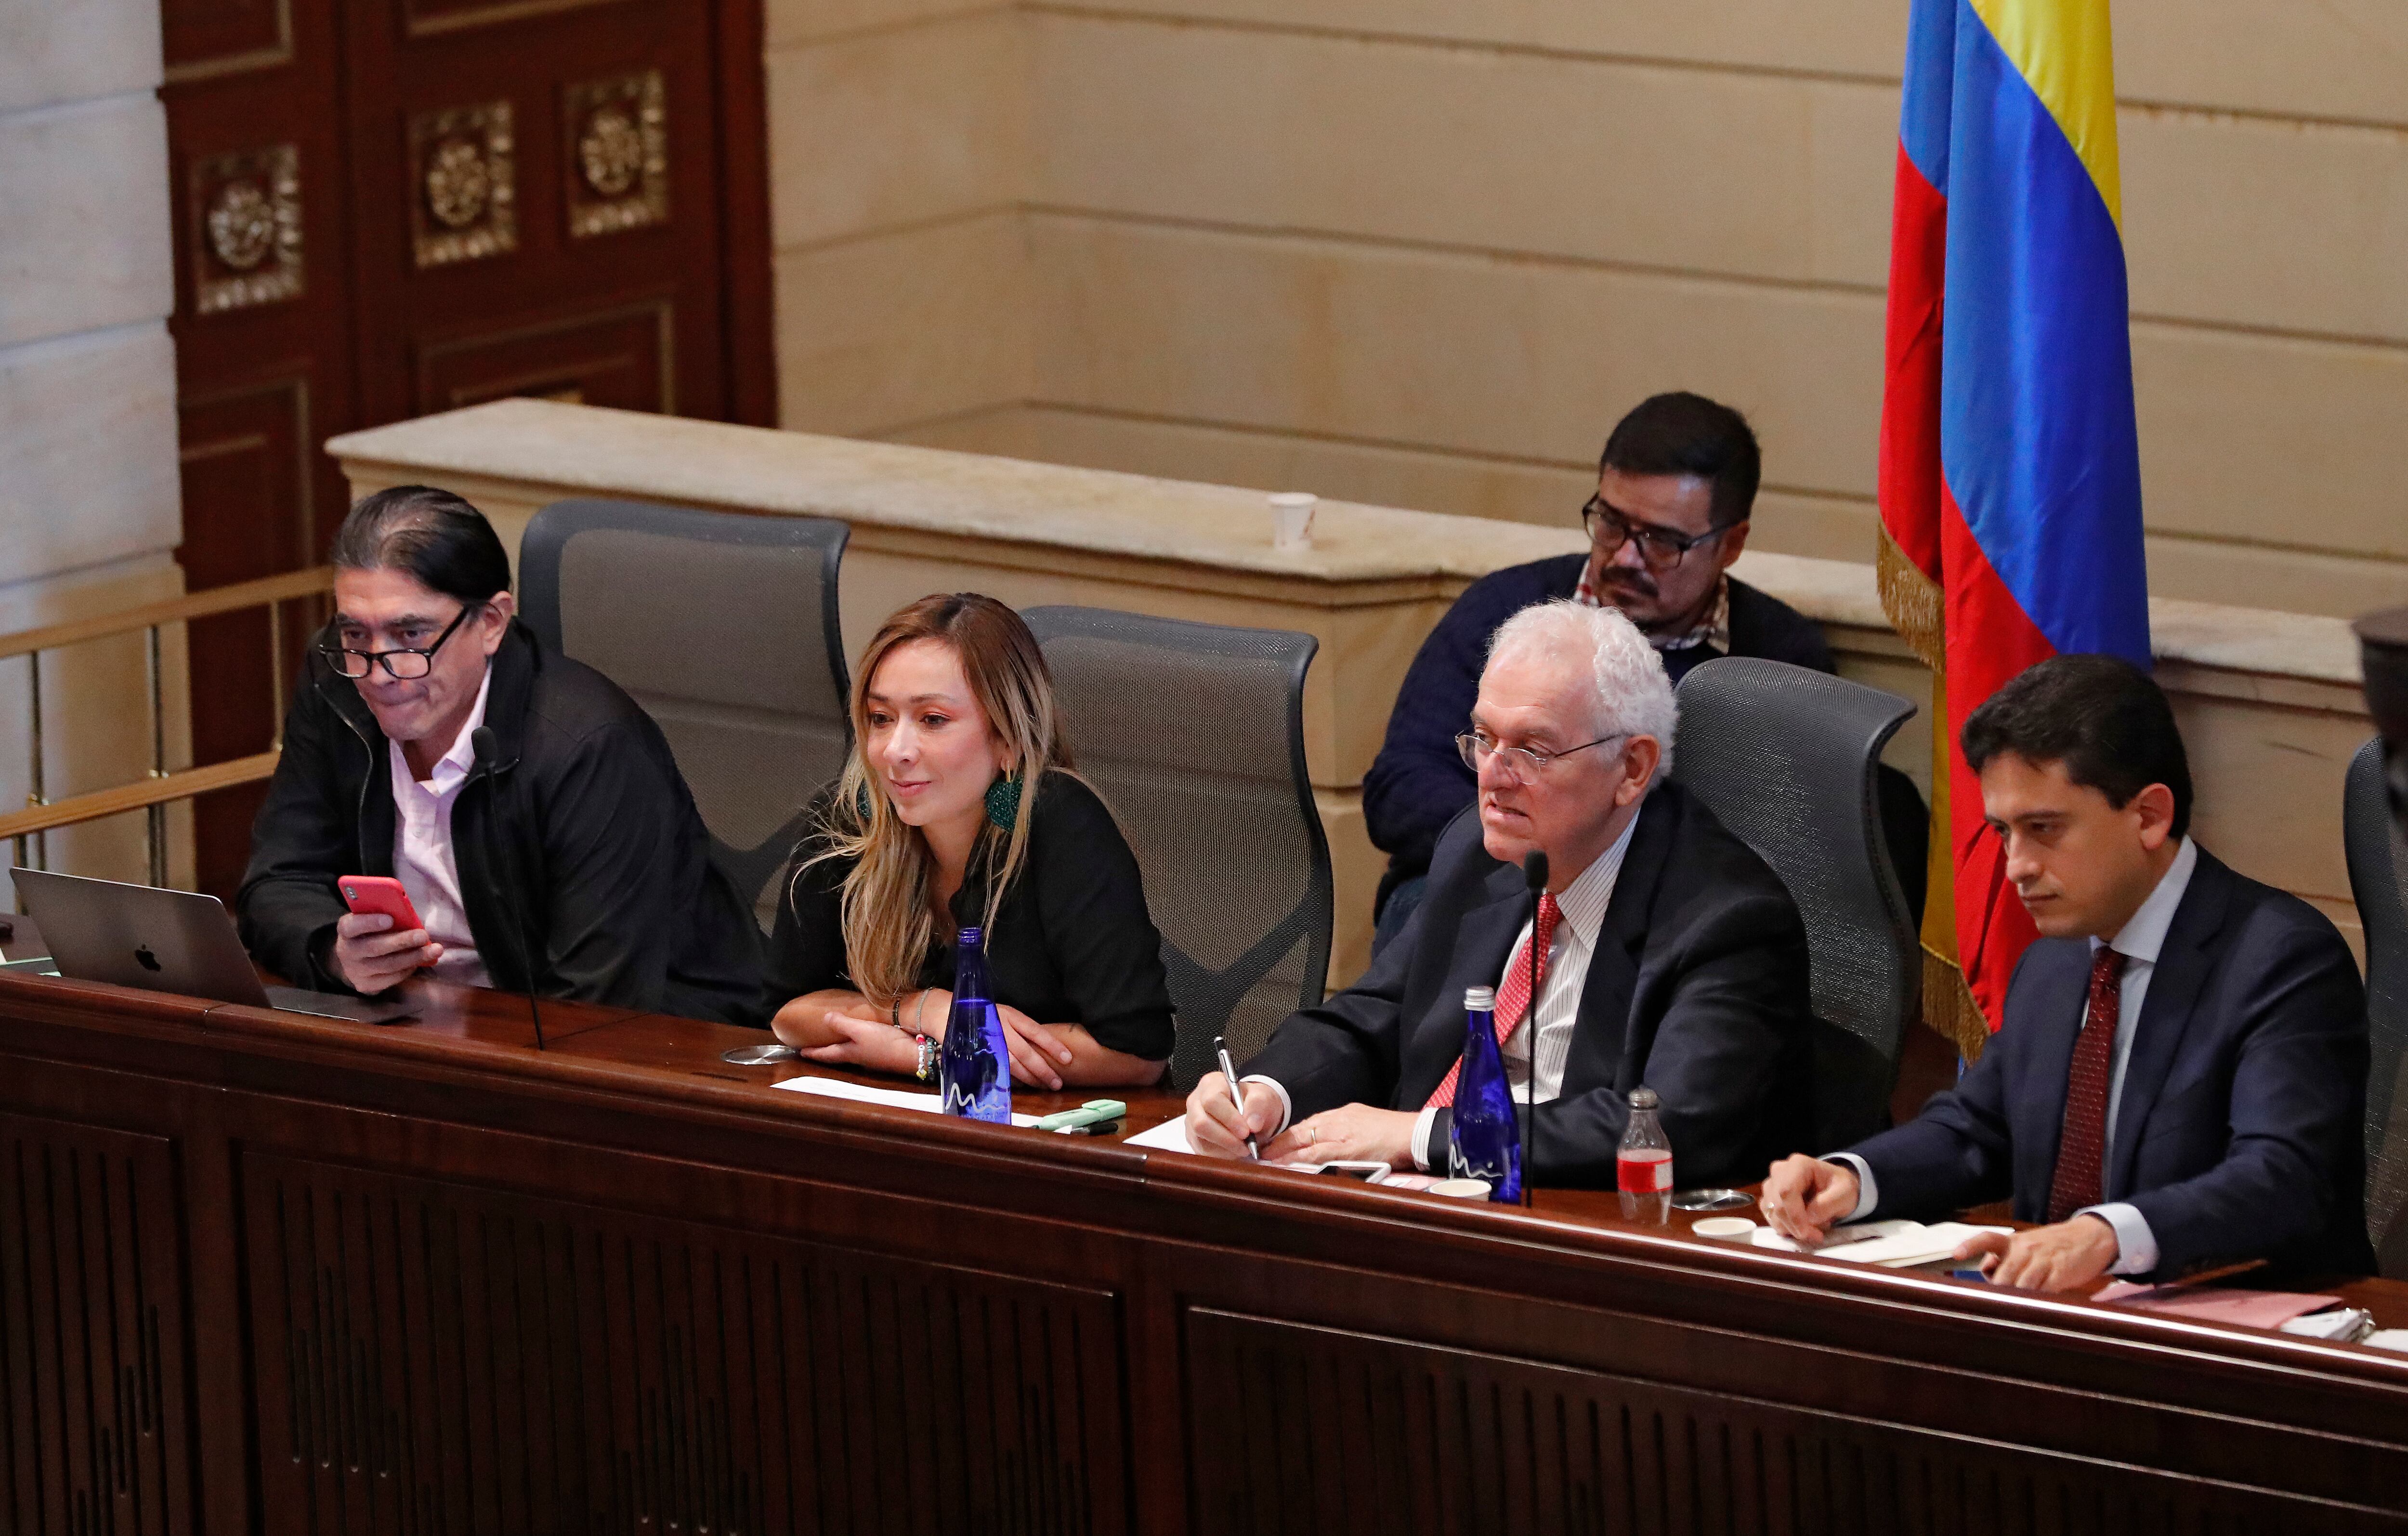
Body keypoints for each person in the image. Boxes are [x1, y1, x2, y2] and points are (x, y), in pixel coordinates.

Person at [1761, 655, 2374, 1291]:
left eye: (2044, 829)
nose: (2016, 867)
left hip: (2248, 1342)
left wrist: (2109, 1234)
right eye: (2003, 832)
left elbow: (2283, 1177)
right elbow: (1979, 1132)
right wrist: (1856, 1177)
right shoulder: (2054, 962)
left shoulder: (2281, 958)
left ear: (2149, 816)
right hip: (2069, 1328)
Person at [1184, 600, 1812, 1185]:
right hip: (1422, 1207)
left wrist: (1421, 1136)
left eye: (1534, 750)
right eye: (1484, 739)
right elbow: (1372, 1016)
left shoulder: (1728, 920)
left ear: (1633, 768)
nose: (1493, 776)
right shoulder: (1479, 854)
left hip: (1586, 1237)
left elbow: (1672, 1126)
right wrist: (1267, 1091)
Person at [1363, 392, 1919, 948]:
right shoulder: (1504, 609)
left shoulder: (1775, 656)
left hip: (1668, 909)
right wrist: (1542, 842)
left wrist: (1606, 864)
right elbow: (1398, 791)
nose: (1625, 557)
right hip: (1493, 879)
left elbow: (1784, 845)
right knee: (1428, 915)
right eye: (1610, 523)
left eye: (1661, 541)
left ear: (1730, 544)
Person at [238, 485, 761, 1024]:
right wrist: (333, 951)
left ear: (490, 623)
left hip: (643, 1038)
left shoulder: (589, 744)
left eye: (410, 634)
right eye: (354, 633)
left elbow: (596, 1000)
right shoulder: (337, 684)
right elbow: (277, 882)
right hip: (422, 1016)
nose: (377, 672)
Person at [760, 593, 1175, 1090]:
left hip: (1053, 1135)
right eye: (880, 718)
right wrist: (924, 1008)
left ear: (1007, 740)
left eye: (933, 720)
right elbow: (788, 1013)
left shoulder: (1060, 825)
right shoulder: (851, 818)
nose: (895, 751)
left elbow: (1135, 1053)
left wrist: (929, 1058)